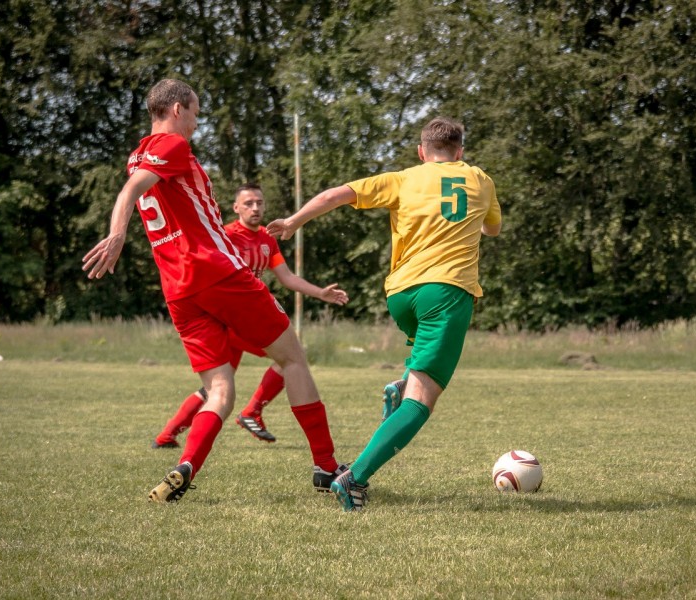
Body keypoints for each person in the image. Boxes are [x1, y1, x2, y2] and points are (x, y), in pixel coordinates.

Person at [82, 79, 345, 503]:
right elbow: (131, 191)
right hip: (216, 271)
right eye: (195, 113)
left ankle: (186, 466)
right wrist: (117, 234)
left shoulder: (137, 154)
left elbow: (139, 187)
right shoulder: (172, 145)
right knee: (292, 358)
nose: (196, 123)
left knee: (221, 390)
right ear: (177, 109)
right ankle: (327, 467)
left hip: (178, 289)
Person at [267, 116, 502, 511]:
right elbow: (492, 230)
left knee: (418, 369)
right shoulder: (481, 180)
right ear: (460, 152)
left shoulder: (404, 179)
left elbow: (336, 195)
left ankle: (403, 383)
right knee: (422, 400)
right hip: (446, 293)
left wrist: (293, 222)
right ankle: (354, 479)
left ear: (422, 152)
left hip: (401, 295)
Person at [151, 182, 348, 448]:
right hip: (228, 318)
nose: (255, 208)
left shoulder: (268, 239)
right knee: (288, 359)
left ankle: (167, 435)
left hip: (243, 318)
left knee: (217, 387)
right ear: (236, 208)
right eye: (248, 203)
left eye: (259, 203)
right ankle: (252, 411)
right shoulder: (224, 235)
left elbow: (286, 277)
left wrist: (320, 293)